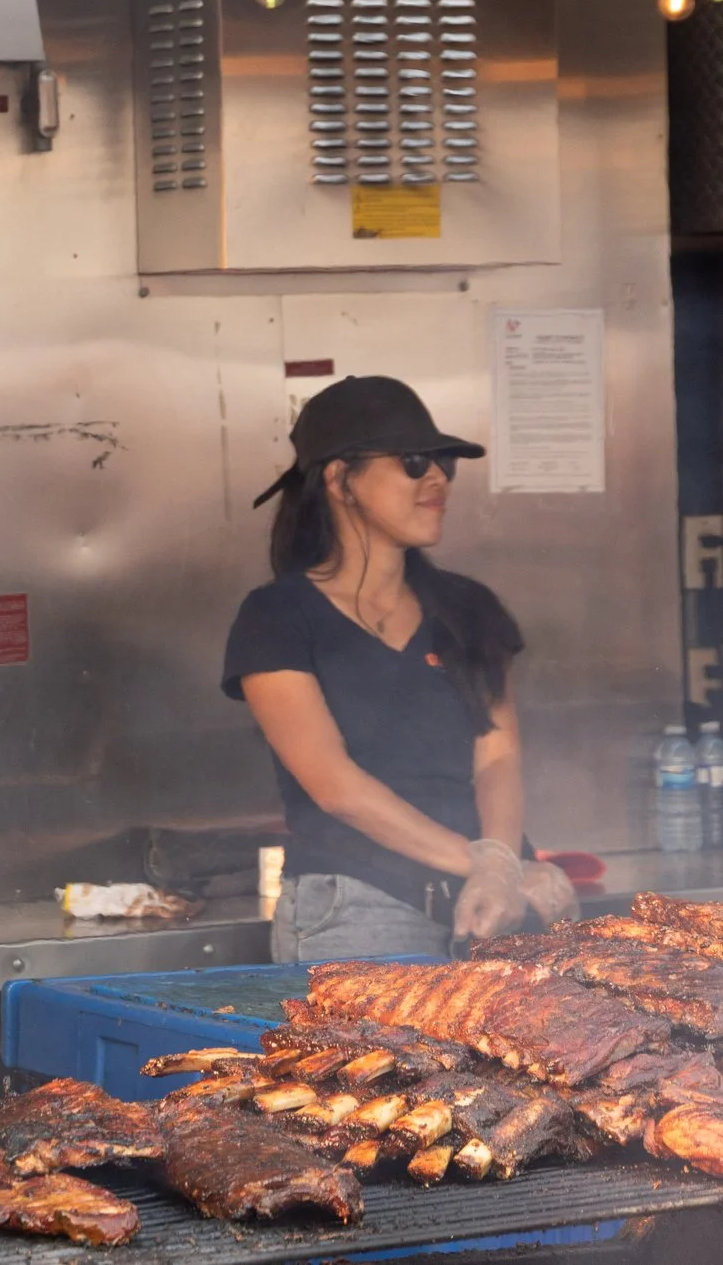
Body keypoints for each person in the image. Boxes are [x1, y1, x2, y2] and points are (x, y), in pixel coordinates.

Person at [225, 375, 575, 963]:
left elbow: (499, 755)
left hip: (490, 905)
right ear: (340, 480)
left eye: (443, 463)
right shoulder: (277, 617)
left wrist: (501, 866)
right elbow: (335, 787)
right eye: (414, 462)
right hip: (359, 908)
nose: (436, 478)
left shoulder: (469, 609)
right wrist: (487, 862)